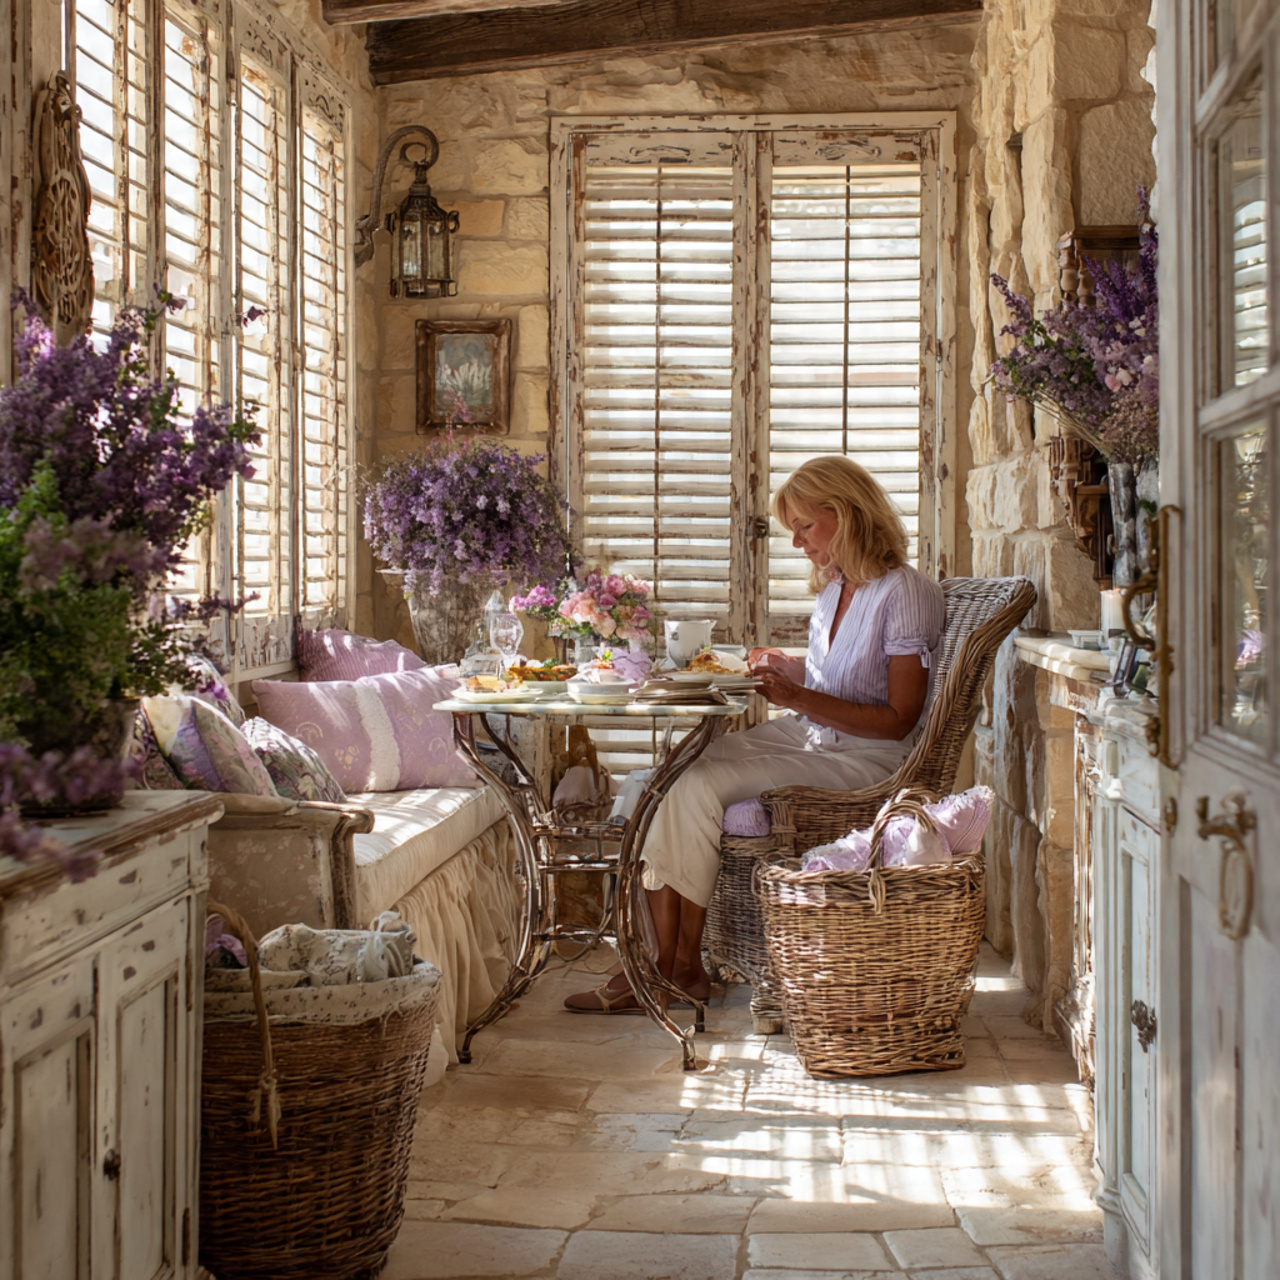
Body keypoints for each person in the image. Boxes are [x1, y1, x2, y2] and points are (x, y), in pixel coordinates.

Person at [564, 454, 946, 1014]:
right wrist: (789, 671)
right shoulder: (836, 588)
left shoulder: (904, 592)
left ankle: (678, 967)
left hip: (868, 758)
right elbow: (839, 678)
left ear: (847, 514)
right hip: (813, 734)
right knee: (656, 775)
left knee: (694, 786)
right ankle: (654, 959)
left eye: (805, 526)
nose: (796, 543)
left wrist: (797, 697)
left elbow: (899, 719)